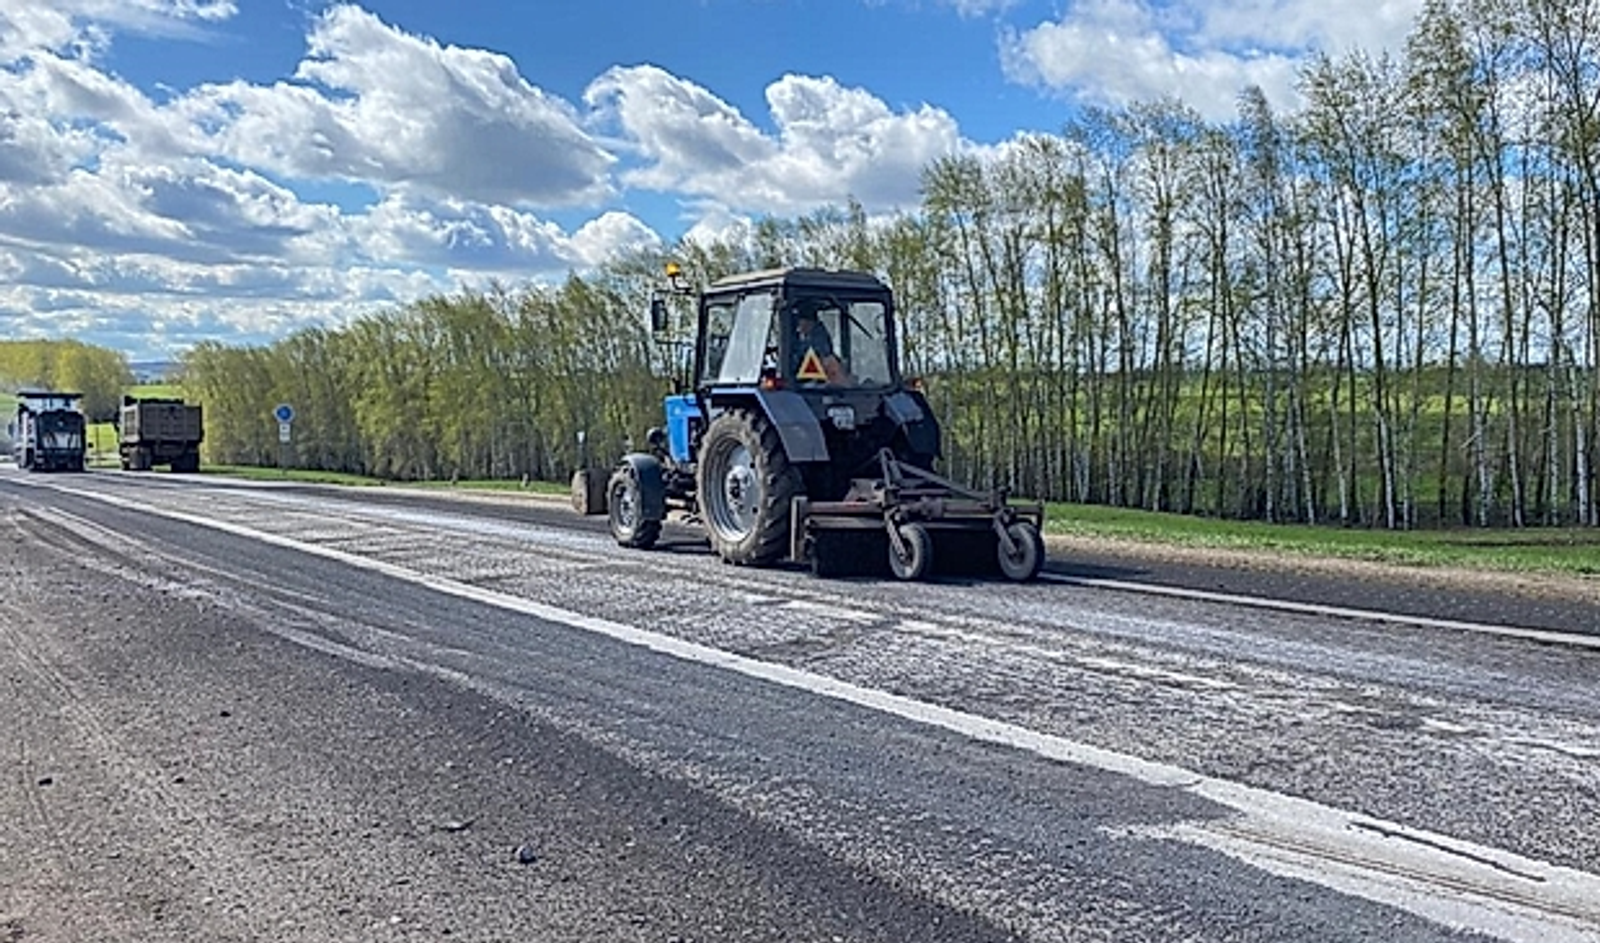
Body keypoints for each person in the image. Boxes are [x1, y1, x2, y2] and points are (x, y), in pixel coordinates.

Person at [792, 305, 846, 384]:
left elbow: (819, 356)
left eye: (802, 323)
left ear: (810, 322)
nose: (799, 328)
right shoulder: (803, 337)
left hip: (814, 383)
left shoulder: (819, 339)